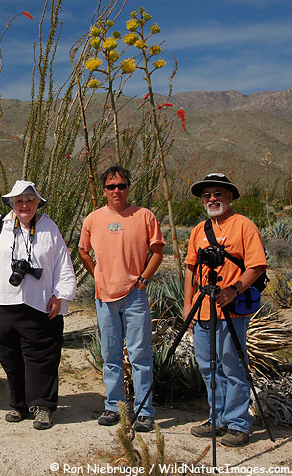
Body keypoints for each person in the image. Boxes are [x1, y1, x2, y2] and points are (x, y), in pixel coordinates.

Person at [0, 180, 76, 430]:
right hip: (1, 301)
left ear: (38, 202)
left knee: (42, 357)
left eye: (30, 199)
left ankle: (42, 407)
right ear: (12, 203)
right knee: (9, 355)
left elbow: (63, 264)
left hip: (39, 303)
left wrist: (60, 294)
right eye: (19, 200)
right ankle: (19, 404)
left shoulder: (49, 228)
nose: (25, 204)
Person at [78, 165, 164, 432]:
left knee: (140, 354)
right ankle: (113, 406)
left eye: (122, 186)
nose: (117, 191)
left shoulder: (144, 216)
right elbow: (82, 251)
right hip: (104, 297)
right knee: (110, 355)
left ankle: (144, 410)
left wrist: (144, 279)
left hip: (134, 296)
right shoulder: (93, 219)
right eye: (111, 186)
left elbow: (158, 251)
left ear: (128, 188)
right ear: (104, 190)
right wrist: (98, 275)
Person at [184, 173, 267, 447]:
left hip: (231, 310)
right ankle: (216, 417)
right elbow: (190, 269)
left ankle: (238, 423)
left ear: (230, 196)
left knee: (232, 367)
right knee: (208, 367)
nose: (212, 199)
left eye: (218, 194)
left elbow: (257, 265)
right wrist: (187, 305)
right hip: (203, 310)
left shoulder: (244, 226)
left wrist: (234, 289)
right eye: (207, 195)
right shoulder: (198, 230)